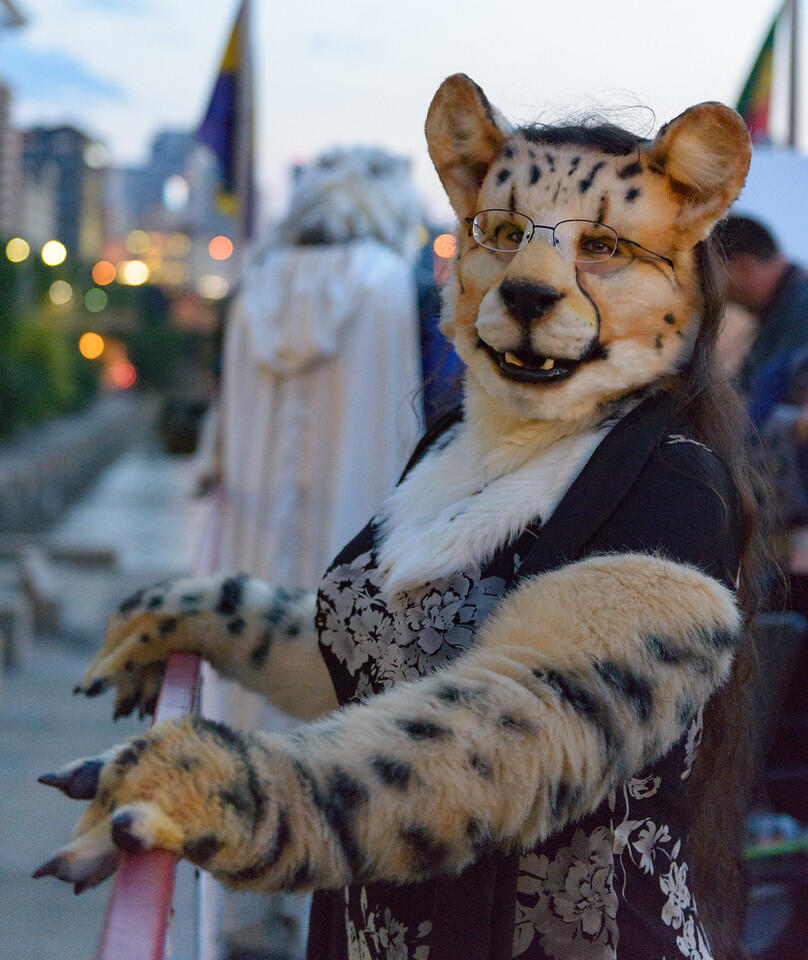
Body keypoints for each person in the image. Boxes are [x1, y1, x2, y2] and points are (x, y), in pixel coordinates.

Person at [39, 77, 764, 960]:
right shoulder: (453, 444)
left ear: (682, 275)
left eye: (605, 247)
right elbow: (382, 663)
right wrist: (219, 620)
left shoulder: (674, 490)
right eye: (501, 236)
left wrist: (251, 797)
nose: (533, 281)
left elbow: (508, 747)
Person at [194, 145, 425, 958]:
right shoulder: (394, 286)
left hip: (256, 546)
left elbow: (219, 434)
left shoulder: (256, 285)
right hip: (358, 548)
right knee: (346, 727)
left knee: (247, 713)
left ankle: (240, 902)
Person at [713, 215, 808, 427]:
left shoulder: (799, 316)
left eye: (718, 282)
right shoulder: (782, 312)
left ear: (742, 267)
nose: (725, 298)